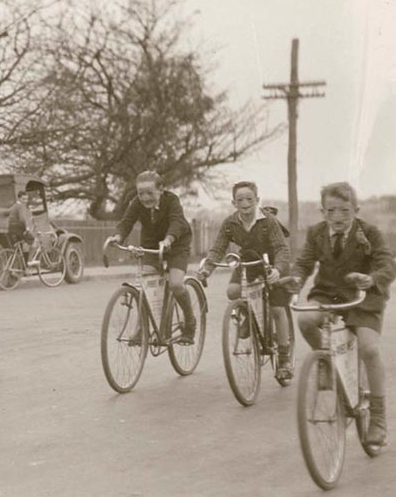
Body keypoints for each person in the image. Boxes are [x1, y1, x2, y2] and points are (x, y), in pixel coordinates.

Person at [285, 182, 396, 446]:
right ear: (322, 211)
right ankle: (328, 362)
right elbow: (304, 262)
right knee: (306, 320)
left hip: (363, 298)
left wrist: (370, 279)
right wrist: (297, 279)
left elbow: (387, 266)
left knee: (369, 350)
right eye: (331, 211)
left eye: (344, 211)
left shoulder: (370, 233)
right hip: (328, 293)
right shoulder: (316, 233)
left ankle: (378, 419)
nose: (337, 218)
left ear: (355, 211)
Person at [198, 181, 293, 378]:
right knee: (232, 291)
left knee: (277, 308)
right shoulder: (230, 223)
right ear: (234, 203)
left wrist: (278, 269)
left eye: (249, 199)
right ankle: (248, 315)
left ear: (257, 200)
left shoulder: (268, 221)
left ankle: (284, 360)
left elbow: (282, 249)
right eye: (240, 199)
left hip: (272, 264)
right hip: (248, 262)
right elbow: (218, 247)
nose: (245, 203)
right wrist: (207, 269)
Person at [103, 170, 196, 343]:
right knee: (145, 285)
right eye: (141, 193)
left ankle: (190, 322)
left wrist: (169, 239)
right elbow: (126, 222)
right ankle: (142, 328)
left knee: (176, 284)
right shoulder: (137, 203)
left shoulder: (172, 200)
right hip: (152, 246)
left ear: (161, 190)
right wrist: (118, 236)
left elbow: (177, 221)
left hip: (176, 244)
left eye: (150, 193)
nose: (145, 198)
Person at [7, 189, 36, 263]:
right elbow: (22, 218)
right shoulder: (20, 206)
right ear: (19, 198)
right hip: (18, 228)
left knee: (20, 247)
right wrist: (26, 227)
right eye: (23, 199)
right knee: (32, 240)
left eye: (26, 199)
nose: (25, 201)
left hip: (11, 228)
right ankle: (29, 261)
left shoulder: (14, 206)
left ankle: (21, 265)